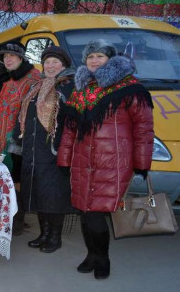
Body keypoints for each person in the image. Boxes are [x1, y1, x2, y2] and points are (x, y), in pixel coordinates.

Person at [57, 39, 154, 279]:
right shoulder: (81, 90)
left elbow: (143, 128)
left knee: (96, 211)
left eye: (100, 56)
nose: (94, 60)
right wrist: (64, 158)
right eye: (90, 57)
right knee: (84, 209)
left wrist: (142, 163)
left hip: (112, 160)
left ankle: (103, 258)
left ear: (110, 59)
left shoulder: (130, 88)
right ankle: (92, 255)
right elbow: (70, 128)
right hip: (82, 159)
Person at [13, 46, 76, 253]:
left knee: (54, 195)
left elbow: (72, 120)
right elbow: (23, 114)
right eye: (47, 62)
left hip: (54, 150)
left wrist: (63, 147)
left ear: (64, 65)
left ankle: (54, 237)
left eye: (55, 62)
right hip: (33, 149)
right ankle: (44, 233)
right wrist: (17, 139)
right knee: (39, 192)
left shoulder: (69, 86)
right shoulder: (37, 86)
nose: (50, 66)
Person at [0, 41, 41, 236]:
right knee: (5, 179)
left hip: (21, 140)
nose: (8, 59)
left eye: (12, 56)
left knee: (17, 180)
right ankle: (7, 218)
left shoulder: (33, 78)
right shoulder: (4, 79)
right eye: (5, 57)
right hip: (0, 140)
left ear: (21, 58)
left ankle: (17, 222)